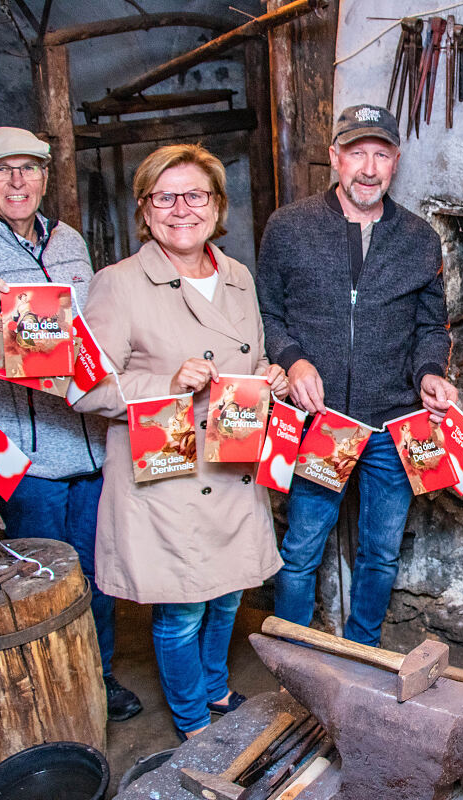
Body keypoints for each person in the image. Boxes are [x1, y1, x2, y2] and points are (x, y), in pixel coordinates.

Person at [0, 126, 141, 722]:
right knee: (38, 578)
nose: (18, 180)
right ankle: (46, 695)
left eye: (30, 168)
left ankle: (98, 676)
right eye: (2, 169)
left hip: (91, 445)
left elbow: (93, 342)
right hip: (26, 459)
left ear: (45, 177)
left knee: (97, 575)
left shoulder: (69, 243)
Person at [74, 143, 289, 740]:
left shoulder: (238, 276)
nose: (181, 209)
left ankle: (216, 689)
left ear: (216, 206)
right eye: (164, 197)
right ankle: (194, 719)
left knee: (226, 597)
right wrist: (162, 384)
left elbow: (252, 353)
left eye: (196, 195)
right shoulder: (118, 283)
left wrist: (270, 373)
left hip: (231, 456)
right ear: (145, 211)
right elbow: (83, 386)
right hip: (168, 473)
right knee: (183, 607)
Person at [257, 104, 457, 647]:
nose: (368, 168)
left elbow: (430, 326)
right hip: (322, 423)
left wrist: (430, 372)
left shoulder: (419, 238)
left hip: (394, 425)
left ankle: (361, 654)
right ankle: (292, 659)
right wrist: (294, 359)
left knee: (381, 553)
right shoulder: (288, 227)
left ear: (395, 162)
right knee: (300, 552)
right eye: (356, 153)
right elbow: (269, 313)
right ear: (334, 158)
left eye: (382, 154)